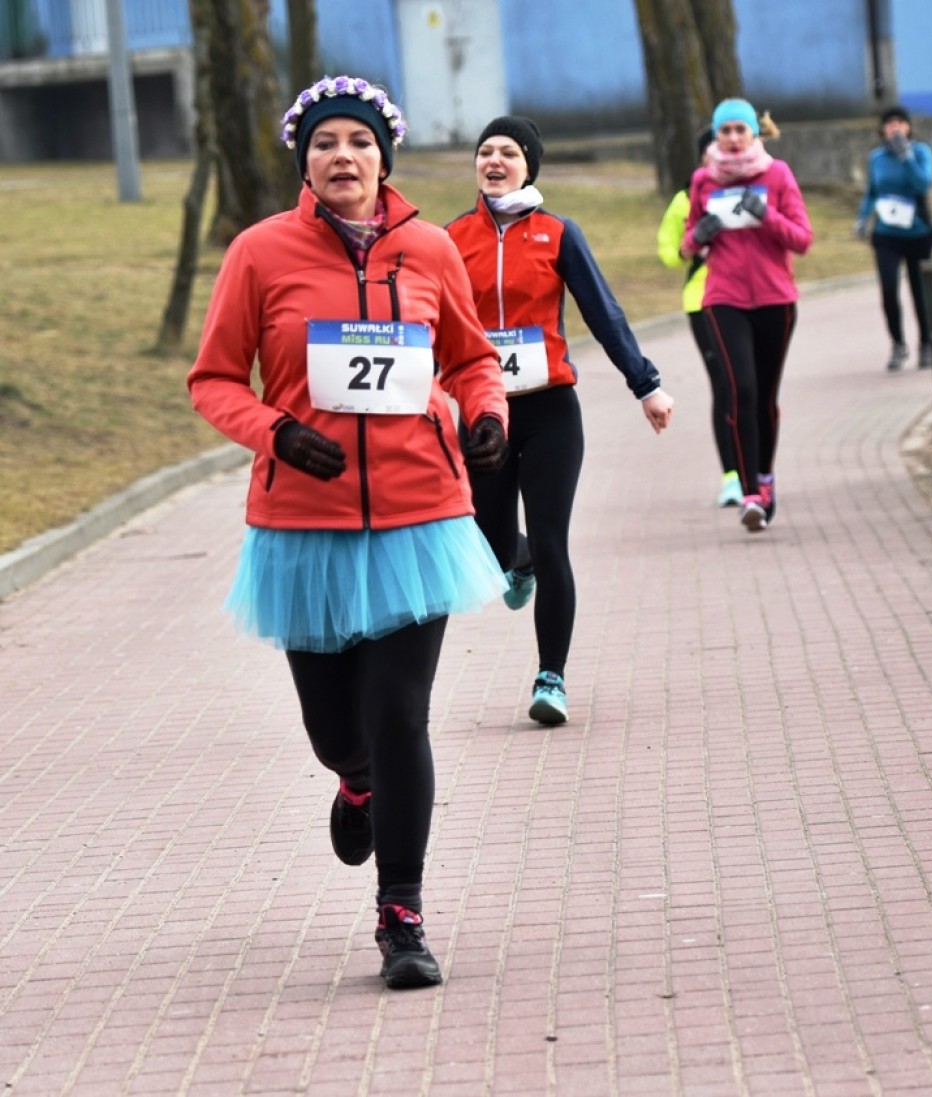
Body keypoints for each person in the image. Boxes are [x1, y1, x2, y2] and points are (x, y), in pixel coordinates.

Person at [187, 75, 511, 990]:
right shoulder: (260, 253)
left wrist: (487, 413)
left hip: (420, 514)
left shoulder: (430, 249)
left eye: (360, 142)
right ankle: (353, 780)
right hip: (305, 523)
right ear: (305, 161)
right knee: (336, 730)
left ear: (384, 158)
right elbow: (214, 380)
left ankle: (401, 913)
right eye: (326, 142)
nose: (344, 156)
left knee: (400, 713)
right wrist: (276, 432)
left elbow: (471, 358)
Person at [446, 115, 674, 726]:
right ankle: (515, 559)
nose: (494, 161)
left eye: (508, 152)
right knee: (489, 544)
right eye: (485, 151)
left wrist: (646, 385)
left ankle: (552, 677)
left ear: (529, 165)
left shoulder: (557, 234)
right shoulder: (451, 238)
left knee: (552, 542)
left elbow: (603, 312)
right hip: (484, 415)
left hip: (550, 409)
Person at [683, 98, 813, 534]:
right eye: (726, 131)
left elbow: (802, 239)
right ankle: (750, 493)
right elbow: (687, 243)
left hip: (776, 299)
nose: (734, 138)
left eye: (741, 129)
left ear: (755, 133)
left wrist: (767, 216)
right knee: (742, 389)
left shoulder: (777, 175)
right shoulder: (703, 180)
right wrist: (698, 237)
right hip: (724, 299)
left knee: (765, 397)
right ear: (716, 136)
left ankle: (765, 476)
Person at [657, 126, 742, 508]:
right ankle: (732, 476)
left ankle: (757, 468)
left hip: (747, 299)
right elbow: (668, 253)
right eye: (711, 149)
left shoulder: (747, 190)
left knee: (750, 386)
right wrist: (691, 244)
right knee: (725, 384)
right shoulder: (684, 200)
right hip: (703, 302)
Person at [854, 104, 932, 372]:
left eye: (900, 123)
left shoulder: (921, 152)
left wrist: (907, 157)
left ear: (908, 127)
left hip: (917, 233)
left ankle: (926, 343)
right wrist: (863, 217)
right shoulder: (876, 158)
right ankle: (898, 344)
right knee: (889, 289)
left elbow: (923, 183)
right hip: (886, 233)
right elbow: (872, 191)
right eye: (890, 124)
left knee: (920, 291)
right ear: (882, 130)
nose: (895, 128)